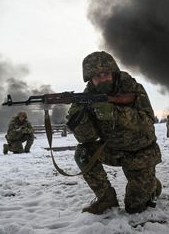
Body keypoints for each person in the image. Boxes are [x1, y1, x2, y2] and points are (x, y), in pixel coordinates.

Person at [66, 51, 162, 214]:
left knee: (134, 207)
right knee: (83, 152)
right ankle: (106, 199)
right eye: (97, 76)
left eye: (106, 74)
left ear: (113, 72)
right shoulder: (87, 97)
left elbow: (147, 122)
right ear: (90, 79)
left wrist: (114, 112)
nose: (102, 78)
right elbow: (88, 138)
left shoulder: (132, 88)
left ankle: (152, 184)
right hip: (112, 150)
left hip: (141, 153)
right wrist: (79, 120)